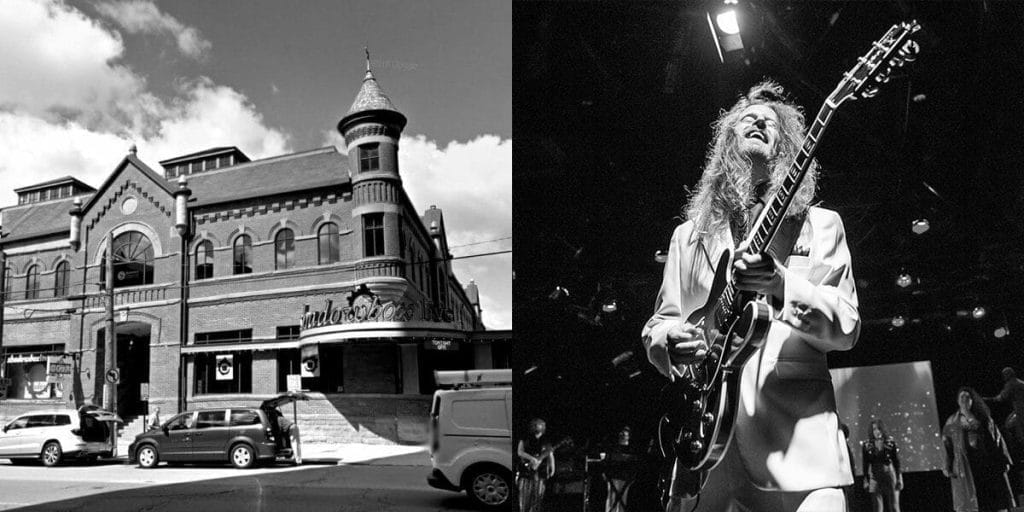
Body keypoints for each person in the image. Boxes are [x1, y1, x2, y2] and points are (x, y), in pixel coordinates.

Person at [643, 80, 860, 512]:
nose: (761, 119)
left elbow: (846, 327)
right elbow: (661, 322)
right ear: (727, 142)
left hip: (800, 448)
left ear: (788, 148)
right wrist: (670, 342)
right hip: (706, 448)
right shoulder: (688, 236)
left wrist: (780, 285)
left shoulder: (822, 225)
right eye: (748, 117)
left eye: (772, 123)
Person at [942, 386, 1016, 512]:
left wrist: (1004, 459)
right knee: (972, 503)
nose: (965, 399)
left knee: (993, 500)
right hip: (966, 467)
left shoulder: (983, 418)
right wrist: (946, 466)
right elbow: (946, 445)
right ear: (957, 400)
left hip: (987, 465)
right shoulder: (951, 422)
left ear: (972, 400)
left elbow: (997, 439)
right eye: (962, 396)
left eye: (968, 396)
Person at [861, 419, 902, 512]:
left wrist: (899, 478)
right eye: (874, 429)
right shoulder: (867, 445)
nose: (877, 432)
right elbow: (865, 463)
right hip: (874, 475)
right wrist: (866, 480)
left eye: (879, 429)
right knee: (877, 509)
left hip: (889, 473)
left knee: (894, 507)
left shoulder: (890, 442)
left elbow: (896, 461)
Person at [518, 418, 555, 512]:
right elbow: (520, 452)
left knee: (538, 498)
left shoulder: (546, 441)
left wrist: (552, 468)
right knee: (524, 498)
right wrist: (531, 458)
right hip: (526, 472)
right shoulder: (525, 438)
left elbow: (550, 454)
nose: (537, 426)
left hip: (540, 473)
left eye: (539, 425)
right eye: (535, 425)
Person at [602, 426, 639, 512]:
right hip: (613, 479)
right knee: (611, 502)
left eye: (624, 434)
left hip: (625, 479)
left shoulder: (632, 450)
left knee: (622, 502)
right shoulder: (613, 449)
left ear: (629, 436)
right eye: (621, 433)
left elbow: (634, 466)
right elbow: (606, 463)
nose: (621, 435)